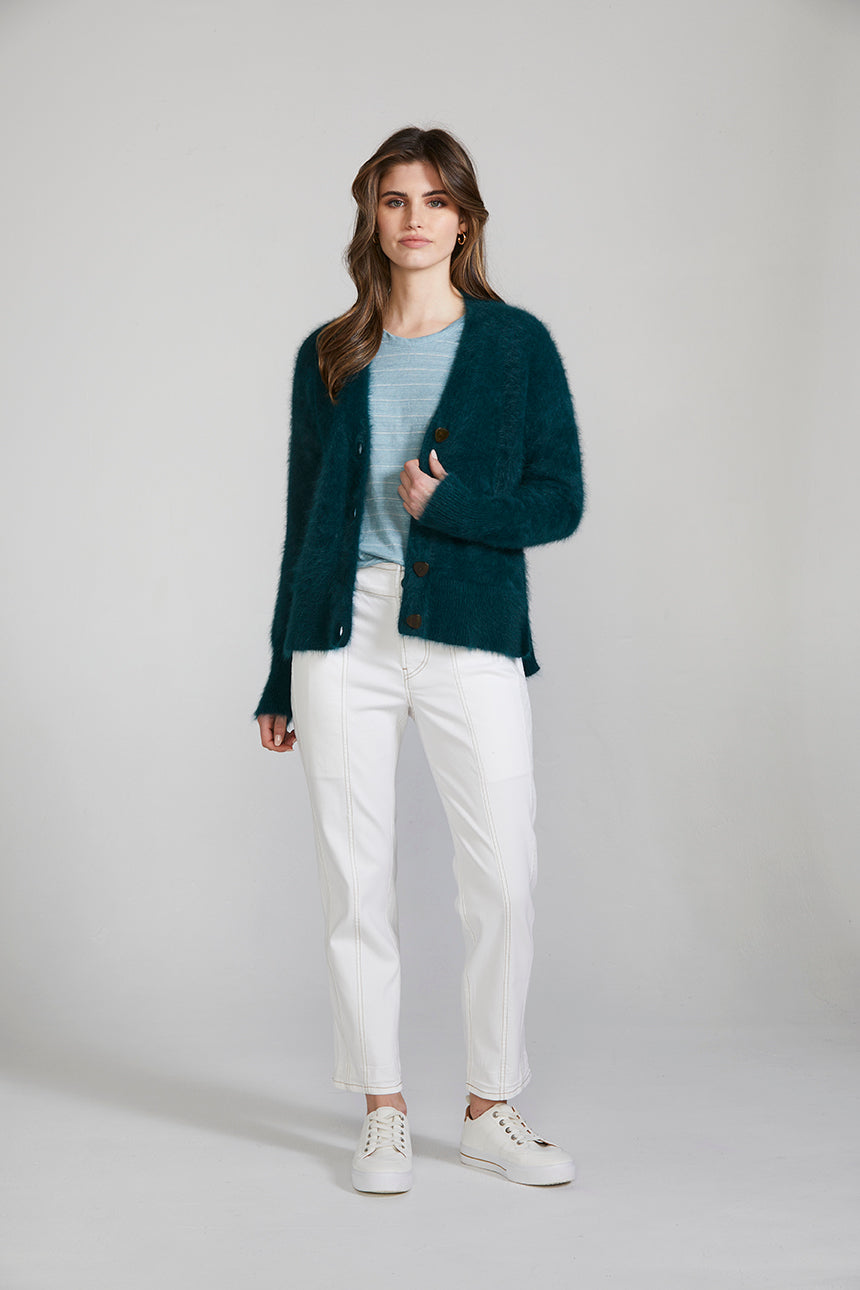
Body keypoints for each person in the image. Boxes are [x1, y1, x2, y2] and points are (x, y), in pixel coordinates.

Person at [254, 125, 585, 1193]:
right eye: (394, 200)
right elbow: (303, 520)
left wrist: (455, 508)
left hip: (469, 634)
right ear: (372, 217)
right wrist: (279, 669)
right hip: (340, 635)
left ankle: (490, 1108)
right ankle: (383, 1112)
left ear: (465, 221)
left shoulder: (515, 345)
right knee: (354, 882)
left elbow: (558, 501)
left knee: (504, 879)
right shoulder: (329, 351)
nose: (414, 219)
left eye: (435, 201)